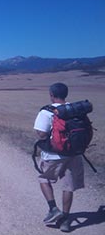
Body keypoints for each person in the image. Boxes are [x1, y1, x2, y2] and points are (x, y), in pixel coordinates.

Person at [33, 82, 85, 232]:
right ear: (65, 94)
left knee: (44, 179)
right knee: (68, 186)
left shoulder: (47, 111)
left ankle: (53, 209)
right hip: (74, 154)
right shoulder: (76, 109)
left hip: (54, 155)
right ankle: (65, 220)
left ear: (51, 95)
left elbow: (42, 134)